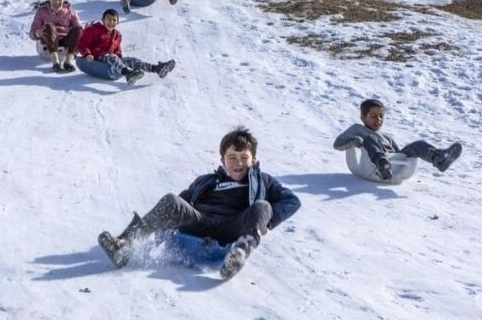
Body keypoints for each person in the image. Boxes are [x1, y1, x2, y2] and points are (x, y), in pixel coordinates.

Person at [98, 127, 301, 279]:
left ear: (253, 160)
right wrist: (165, 223)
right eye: (232, 157)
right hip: (201, 222)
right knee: (171, 200)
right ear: (223, 161)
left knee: (263, 206)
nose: (238, 163)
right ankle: (125, 245)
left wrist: (268, 222)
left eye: (244, 157)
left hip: (233, 227)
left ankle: (239, 254)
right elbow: (180, 203)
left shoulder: (263, 180)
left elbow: (292, 201)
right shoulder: (207, 181)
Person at [333, 99, 463, 180]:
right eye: (373, 116)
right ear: (363, 117)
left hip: (392, 167)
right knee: (369, 139)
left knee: (418, 144)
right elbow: (337, 144)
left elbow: (399, 155)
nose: (378, 119)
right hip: (372, 166)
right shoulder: (358, 129)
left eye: (381, 116)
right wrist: (354, 140)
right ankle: (381, 164)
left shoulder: (387, 137)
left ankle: (439, 159)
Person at [76, 9, 175, 84]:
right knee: (111, 57)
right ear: (103, 20)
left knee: (131, 60)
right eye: (108, 19)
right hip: (97, 58)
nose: (111, 22)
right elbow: (82, 44)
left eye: (114, 20)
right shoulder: (94, 30)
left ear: (117, 22)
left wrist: (120, 58)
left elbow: (117, 50)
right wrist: (87, 54)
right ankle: (128, 74)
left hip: (112, 59)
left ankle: (156, 68)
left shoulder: (117, 35)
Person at [28, 0, 82, 73]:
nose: (57, 1)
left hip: (64, 48)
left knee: (79, 29)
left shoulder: (70, 12)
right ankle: (55, 61)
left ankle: (69, 60)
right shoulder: (41, 11)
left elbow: (78, 30)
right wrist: (38, 33)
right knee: (49, 26)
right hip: (47, 48)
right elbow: (32, 33)